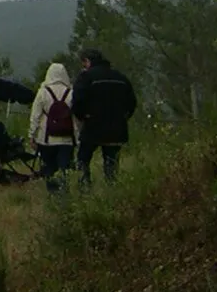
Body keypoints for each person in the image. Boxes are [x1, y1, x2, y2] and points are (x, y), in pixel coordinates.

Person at [70, 48, 139, 187]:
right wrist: (123, 118)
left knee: (83, 158)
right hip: (117, 128)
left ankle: (85, 188)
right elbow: (132, 103)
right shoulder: (120, 77)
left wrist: (82, 116)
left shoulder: (86, 77)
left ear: (87, 61)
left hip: (93, 126)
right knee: (111, 161)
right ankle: (111, 188)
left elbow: (77, 100)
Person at [28, 61, 77, 195]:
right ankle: (64, 194)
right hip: (67, 139)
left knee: (49, 167)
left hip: (46, 138)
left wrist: (32, 135)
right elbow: (76, 117)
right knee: (64, 168)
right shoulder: (71, 93)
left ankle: (52, 193)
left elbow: (35, 116)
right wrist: (77, 137)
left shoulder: (43, 92)